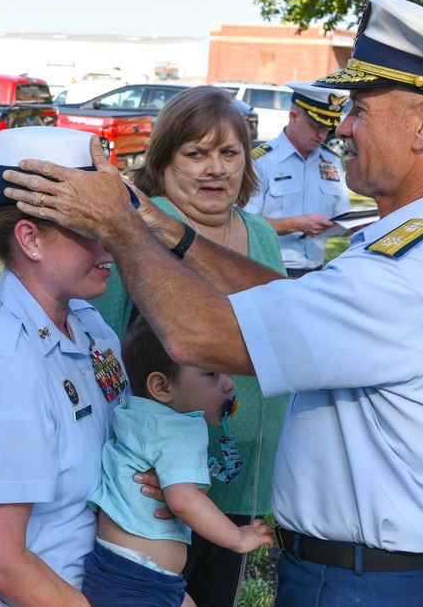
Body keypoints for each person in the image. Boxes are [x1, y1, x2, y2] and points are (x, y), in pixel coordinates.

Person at [1, 0, 423, 606]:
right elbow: (290, 303)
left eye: (361, 110)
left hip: (363, 586)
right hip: (359, 574)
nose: (343, 127)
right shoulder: (418, 248)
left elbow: (196, 338)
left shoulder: (412, 274)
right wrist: (165, 229)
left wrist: (120, 226)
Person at [94, 85, 287, 607]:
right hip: (157, 484)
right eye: (195, 154)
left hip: (238, 471)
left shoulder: (262, 235)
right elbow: (103, 348)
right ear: (163, 161)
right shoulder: (137, 226)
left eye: (229, 153)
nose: (215, 169)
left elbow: (284, 337)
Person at [0, 127, 131, 606]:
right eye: (92, 229)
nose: (111, 246)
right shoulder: (3, 368)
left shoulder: (87, 323)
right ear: (30, 239)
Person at [83, 316, 274, 607]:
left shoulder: (141, 416)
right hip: (138, 581)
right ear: (161, 386)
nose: (229, 384)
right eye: (212, 374)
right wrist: (238, 538)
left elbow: (189, 491)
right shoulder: (178, 433)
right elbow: (184, 501)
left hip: (131, 574)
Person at [245, 82, 352, 277]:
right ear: (293, 116)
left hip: (315, 272)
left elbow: (341, 218)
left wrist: (355, 224)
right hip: (269, 272)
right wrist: (295, 224)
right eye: (316, 125)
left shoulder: (331, 160)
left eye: (328, 127)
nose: (322, 134)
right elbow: (243, 224)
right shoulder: (262, 161)